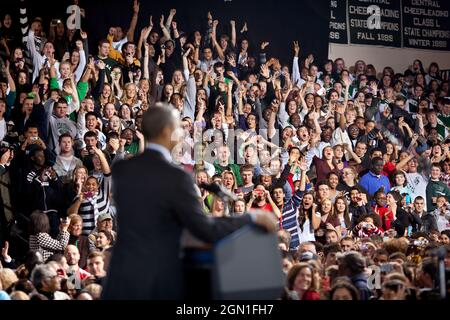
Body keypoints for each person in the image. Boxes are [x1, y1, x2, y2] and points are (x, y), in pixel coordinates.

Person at [102, 106, 276, 299]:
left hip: (120, 280)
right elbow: (204, 229)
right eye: (178, 127)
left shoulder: (123, 170)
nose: (182, 132)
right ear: (167, 131)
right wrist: (252, 217)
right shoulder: (176, 176)